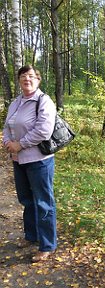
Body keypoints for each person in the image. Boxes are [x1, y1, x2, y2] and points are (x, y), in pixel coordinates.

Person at [2, 65, 57, 262]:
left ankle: (47, 244)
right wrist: (7, 142)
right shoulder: (15, 103)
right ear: (19, 80)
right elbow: (7, 126)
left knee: (43, 202)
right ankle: (31, 236)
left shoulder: (44, 101)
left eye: (31, 76)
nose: (27, 79)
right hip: (18, 160)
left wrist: (20, 144)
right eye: (23, 76)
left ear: (38, 80)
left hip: (38, 161)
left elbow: (44, 130)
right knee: (27, 200)